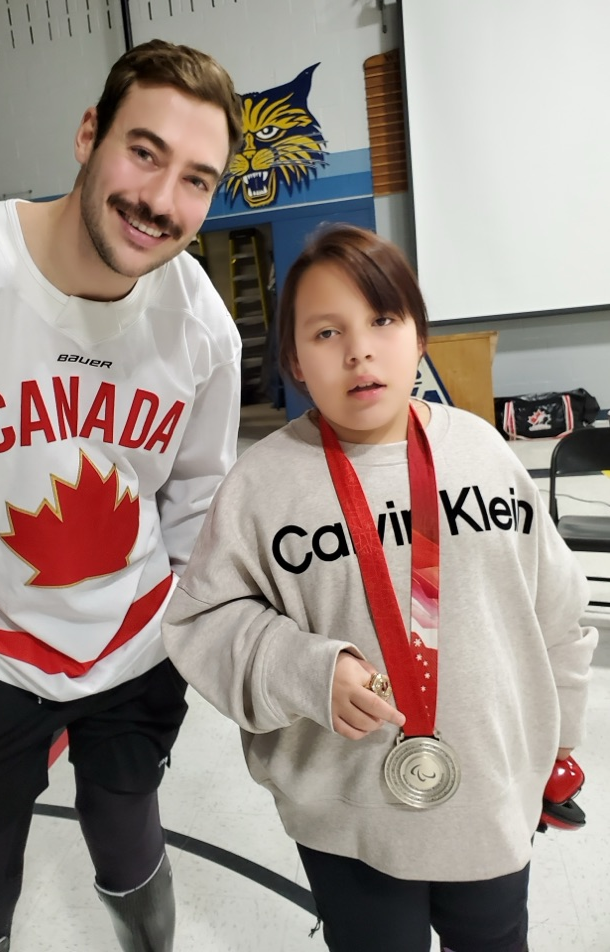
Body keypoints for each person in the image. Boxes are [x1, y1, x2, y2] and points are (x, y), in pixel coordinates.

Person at [0, 40, 243, 952]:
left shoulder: (202, 328)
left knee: (127, 825)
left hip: (130, 632)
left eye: (196, 179)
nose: (160, 200)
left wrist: (194, 617)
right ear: (87, 135)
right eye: (143, 152)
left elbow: (200, 494)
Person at [162, 224, 598, 952]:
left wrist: (559, 744)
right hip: (347, 808)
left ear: (419, 335)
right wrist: (303, 668)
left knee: (495, 939)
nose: (359, 349)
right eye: (326, 332)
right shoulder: (264, 483)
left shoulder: (484, 452)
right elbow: (204, 618)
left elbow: (555, 610)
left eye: (382, 320)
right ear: (296, 361)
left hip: (489, 790)